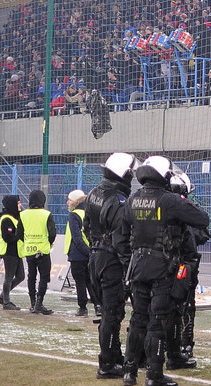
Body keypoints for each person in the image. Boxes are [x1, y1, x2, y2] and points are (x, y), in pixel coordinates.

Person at [121, 155, 210, 386]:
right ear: (165, 175)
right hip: (163, 267)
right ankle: (154, 375)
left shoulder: (133, 199)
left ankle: (129, 372)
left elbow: (123, 233)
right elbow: (202, 219)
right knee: (158, 321)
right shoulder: (170, 201)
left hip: (138, 266)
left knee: (138, 318)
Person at [83, 152, 137, 379]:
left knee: (108, 311)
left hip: (95, 256)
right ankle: (107, 363)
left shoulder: (94, 192)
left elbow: (86, 226)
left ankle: (114, 357)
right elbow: (121, 241)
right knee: (112, 312)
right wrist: (128, 270)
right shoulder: (118, 201)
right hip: (111, 260)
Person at [168, 169, 210, 371]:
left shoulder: (161, 204)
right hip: (185, 265)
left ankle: (153, 350)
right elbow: (203, 235)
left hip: (163, 264)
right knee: (185, 307)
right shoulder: (188, 208)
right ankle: (183, 347)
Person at [20, 189, 57, 315]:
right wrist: (49, 242)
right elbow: (52, 233)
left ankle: (32, 302)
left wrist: (28, 240)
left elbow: (19, 233)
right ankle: (39, 303)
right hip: (43, 250)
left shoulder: (23, 214)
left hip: (29, 249)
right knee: (44, 277)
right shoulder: (46, 214)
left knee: (32, 276)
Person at [66, 189, 93, 317]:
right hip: (90, 252)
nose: (68, 202)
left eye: (70, 199)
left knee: (80, 281)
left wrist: (84, 251)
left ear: (75, 201)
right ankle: (98, 305)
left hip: (77, 254)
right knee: (90, 280)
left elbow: (76, 237)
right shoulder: (89, 213)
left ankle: (82, 308)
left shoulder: (74, 215)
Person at [0, 194, 26, 310]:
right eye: (18, 203)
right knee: (9, 277)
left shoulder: (15, 217)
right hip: (9, 252)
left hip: (16, 251)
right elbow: (7, 237)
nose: (20, 205)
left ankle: (2, 296)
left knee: (21, 276)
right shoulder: (6, 219)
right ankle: (6, 302)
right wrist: (18, 235)